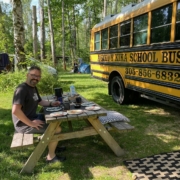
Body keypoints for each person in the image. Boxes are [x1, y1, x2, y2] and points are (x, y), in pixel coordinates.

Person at [12, 66, 66, 163]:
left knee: (56, 120)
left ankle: (52, 145)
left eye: (38, 76)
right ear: (27, 75)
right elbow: (16, 111)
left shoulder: (33, 87)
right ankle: (51, 157)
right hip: (23, 124)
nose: (36, 78)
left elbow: (40, 101)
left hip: (33, 117)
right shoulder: (22, 89)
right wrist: (31, 123)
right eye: (33, 75)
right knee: (56, 128)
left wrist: (51, 103)